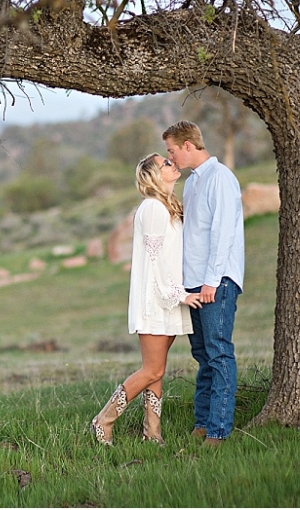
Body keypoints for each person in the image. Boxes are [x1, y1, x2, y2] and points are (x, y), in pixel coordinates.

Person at [91, 153, 202, 446]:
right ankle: (104, 420)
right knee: (152, 369)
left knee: (157, 368)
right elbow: (154, 261)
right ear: (153, 175)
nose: (172, 163)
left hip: (168, 299)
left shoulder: (167, 206)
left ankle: (152, 433)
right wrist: (180, 294)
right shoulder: (152, 208)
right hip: (156, 299)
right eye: (165, 163)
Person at [162, 121, 244, 449]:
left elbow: (223, 234)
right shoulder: (193, 183)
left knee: (219, 353)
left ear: (187, 145)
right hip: (194, 285)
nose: (171, 158)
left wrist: (211, 281)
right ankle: (202, 422)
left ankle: (219, 430)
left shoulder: (220, 178)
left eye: (171, 150)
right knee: (202, 354)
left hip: (216, 282)